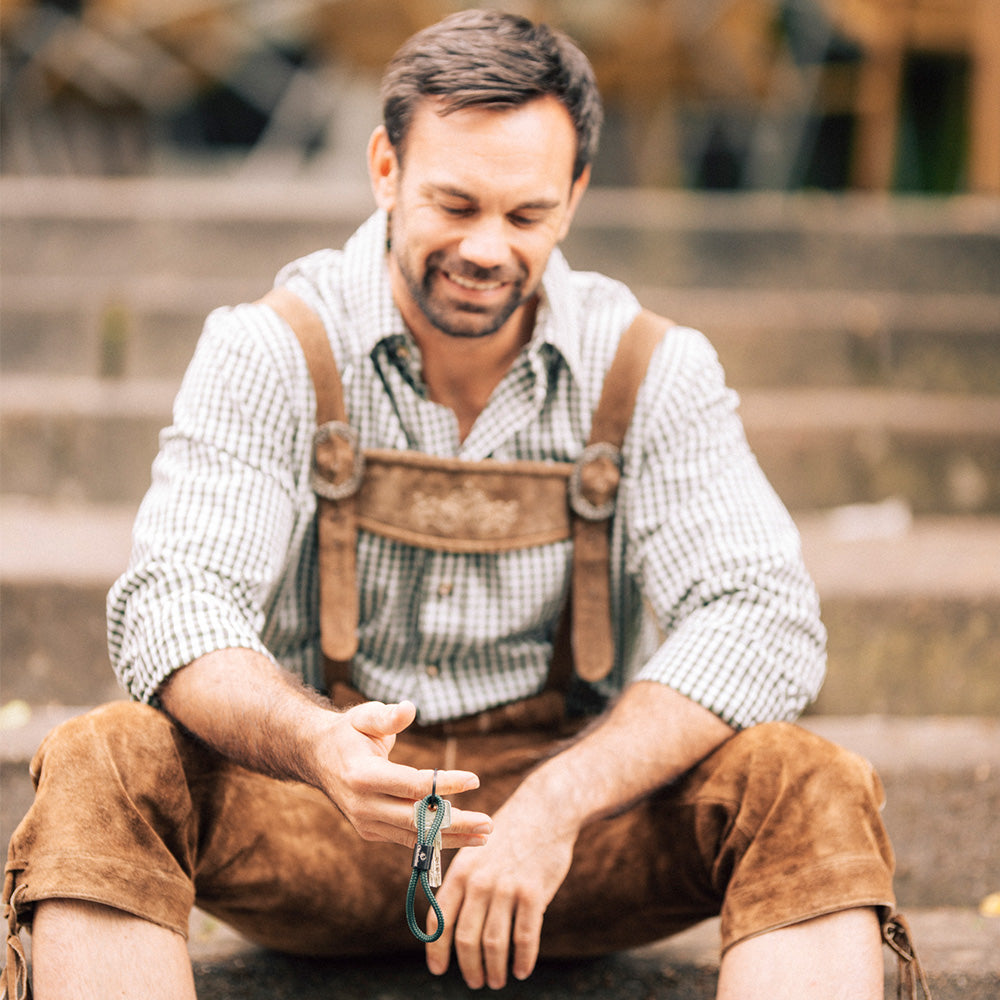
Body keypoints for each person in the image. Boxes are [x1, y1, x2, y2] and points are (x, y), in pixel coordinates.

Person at [3, 10, 920, 999]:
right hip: (319, 810)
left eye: (525, 215)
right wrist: (317, 745)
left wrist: (555, 802)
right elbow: (174, 599)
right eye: (455, 203)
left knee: (809, 782)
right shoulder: (267, 348)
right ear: (385, 168)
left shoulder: (651, 367)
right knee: (102, 757)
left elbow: (765, 616)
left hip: (570, 844)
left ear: (572, 198)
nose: (487, 248)